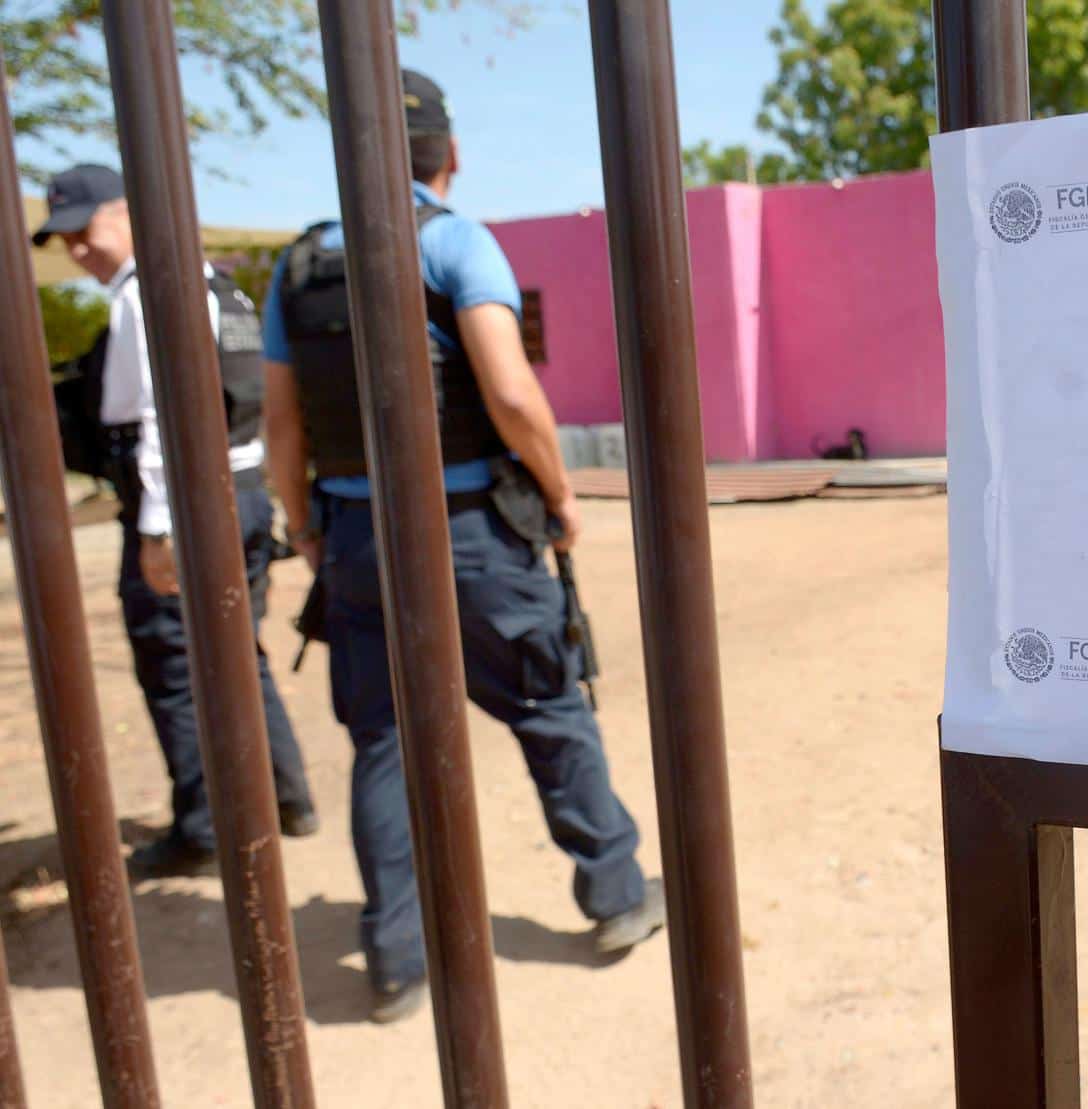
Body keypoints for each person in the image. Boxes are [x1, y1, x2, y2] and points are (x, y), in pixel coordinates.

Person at [260, 70, 663, 1024]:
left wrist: (311, 528)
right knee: (548, 707)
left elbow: (282, 429)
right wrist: (561, 496)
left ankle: (398, 956)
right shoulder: (451, 239)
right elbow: (513, 394)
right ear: (449, 157)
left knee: (386, 743)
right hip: (470, 532)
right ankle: (614, 897)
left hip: (356, 537)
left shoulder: (300, 267)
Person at [33, 164, 318, 879]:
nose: (76, 252)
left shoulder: (146, 293)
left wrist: (159, 528)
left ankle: (203, 828)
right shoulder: (218, 284)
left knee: (173, 665)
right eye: (64, 239)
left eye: (85, 231)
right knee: (234, 649)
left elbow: (165, 414)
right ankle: (285, 796)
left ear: (126, 213)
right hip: (241, 491)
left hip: (186, 505)